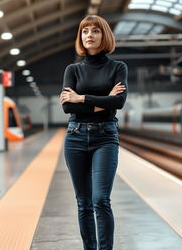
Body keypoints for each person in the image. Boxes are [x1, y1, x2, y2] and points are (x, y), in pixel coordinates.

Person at [59, 14, 128, 250]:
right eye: (85, 31)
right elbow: (68, 107)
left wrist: (82, 98)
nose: (90, 35)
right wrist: (103, 100)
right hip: (75, 137)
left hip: (105, 137)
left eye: (95, 31)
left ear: (104, 35)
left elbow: (118, 103)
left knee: (101, 200)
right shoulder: (73, 69)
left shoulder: (118, 68)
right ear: (81, 36)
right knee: (83, 203)